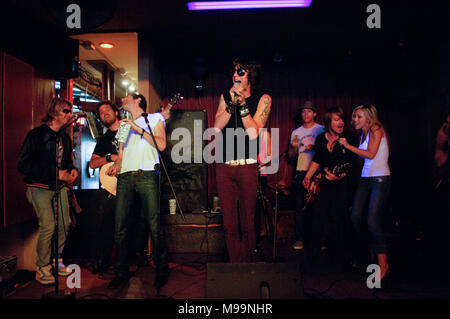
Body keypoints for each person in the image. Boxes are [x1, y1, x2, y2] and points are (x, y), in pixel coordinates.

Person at [106, 93, 170, 292]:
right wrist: (116, 165)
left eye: (127, 97)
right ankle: (121, 272)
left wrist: (137, 128)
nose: (122, 99)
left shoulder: (155, 119)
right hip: (125, 176)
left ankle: (161, 270)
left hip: (147, 174)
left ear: (138, 100)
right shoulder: (123, 125)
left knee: (153, 224)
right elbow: (122, 154)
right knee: (120, 226)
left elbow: (161, 145)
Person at [213, 57, 272, 262]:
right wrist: (231, 103)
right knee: (229, 223)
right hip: (224, 165)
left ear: (250, 76)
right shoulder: (225, 97)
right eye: (234, 72)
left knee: (247, 222)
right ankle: (235, 267)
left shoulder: (263, 99)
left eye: (241, 72)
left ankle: (247, 267)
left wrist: (243, 104)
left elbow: (254, 132)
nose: (235, 75)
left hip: (247, 165)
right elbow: (217, 126)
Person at [17, 98, 78, 285]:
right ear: (53, 113)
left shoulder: (64, 137)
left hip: (59, 188)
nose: (69, 115)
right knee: (49, 225)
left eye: (70, 111)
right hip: (39, 187)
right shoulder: (36, 135)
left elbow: (66, 162)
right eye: (65, 111)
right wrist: (56, 174)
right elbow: (23, 165)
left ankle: (55, 261)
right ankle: (42, 267)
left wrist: (72, 170)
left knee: (65, 223)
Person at [338, 104, 391, 282]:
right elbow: (363, 155)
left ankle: (383, 265)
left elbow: (370, 154)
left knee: (372, 221)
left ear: (369, 118)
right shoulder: (364, 133)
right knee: (355, 216)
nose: (354, 120)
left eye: (358, 116)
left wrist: (347, 145)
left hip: (379, 179)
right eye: (354, 116)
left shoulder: (376, 128)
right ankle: (370, 251)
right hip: (365, 178)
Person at [303, 107, 357, 267]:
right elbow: (317, 160)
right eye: (336, 119)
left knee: (340, 219)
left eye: (341, 119)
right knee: (318, 217)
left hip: (343, 185)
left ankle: (343, 257)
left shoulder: (349, 137)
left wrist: (339, 176)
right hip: (326, 184)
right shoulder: (320, 139)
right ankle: (314, 257)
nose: (341, 122)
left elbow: (352, 163)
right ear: (328, 122)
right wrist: (307, 176)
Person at [288, 101, 324, 250]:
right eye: (303, 112)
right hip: (300, 171)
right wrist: (294, 148)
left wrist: (314, 146)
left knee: (318, 208)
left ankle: (319, 240)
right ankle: (300, 239)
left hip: (317, 173)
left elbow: (327, 150)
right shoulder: (296, 132)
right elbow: (290, 157)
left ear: (315, 113)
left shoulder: (321, 129)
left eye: (309, 111)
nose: (306, 114)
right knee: (299, 207)